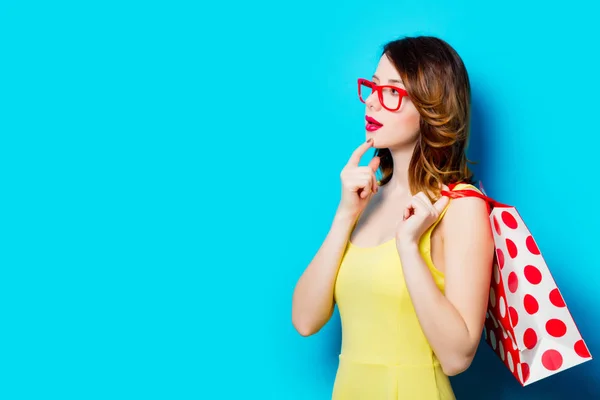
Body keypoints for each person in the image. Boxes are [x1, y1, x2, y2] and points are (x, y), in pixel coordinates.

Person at [291, 35, 495, 399]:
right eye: (373, 86)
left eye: (391, 91)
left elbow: (456, 357)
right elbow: (305, 321)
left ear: (432, 107)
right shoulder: (365, 199)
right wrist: (345, 214)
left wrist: (408, 247)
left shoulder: (461, 207)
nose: (371, 101)